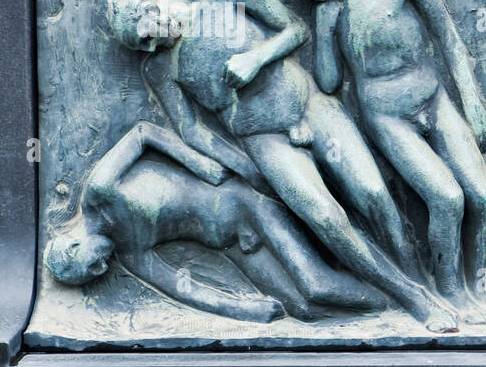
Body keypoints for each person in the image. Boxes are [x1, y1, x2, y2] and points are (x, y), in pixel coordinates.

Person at [105, 0, 454, 328]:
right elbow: (191, 130)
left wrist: (256, 58)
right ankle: (412, 299)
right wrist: (246, 168)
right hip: (264, 140)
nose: (150, 46)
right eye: (142, 46)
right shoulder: (160, 67)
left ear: (151, 6)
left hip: (312, 109)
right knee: (325, 218)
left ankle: (419, 283)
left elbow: (296, 29)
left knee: (373, 195)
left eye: (147, 35)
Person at [44, 122, 455, 328]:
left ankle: (405, 301)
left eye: (91, 266)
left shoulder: (100, 190)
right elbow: (184, 288)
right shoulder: (129, 253)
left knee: (317, 284)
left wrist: (200, 163)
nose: (102, 269)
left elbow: (143, 133)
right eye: (94, 276)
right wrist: (243, 308)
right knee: (302, 309)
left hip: (244, 205)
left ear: (75, 246)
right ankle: (385, 307)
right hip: (233, 245)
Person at [284, 0, 486, 319]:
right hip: (386, 117)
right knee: (447, 198)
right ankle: (452, 294)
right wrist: (324, 29)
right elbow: (331, 83)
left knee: (481, 197)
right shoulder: (329, 8)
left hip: (434, 99)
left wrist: (472, 101)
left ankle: (480, 289)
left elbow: (447, 36)